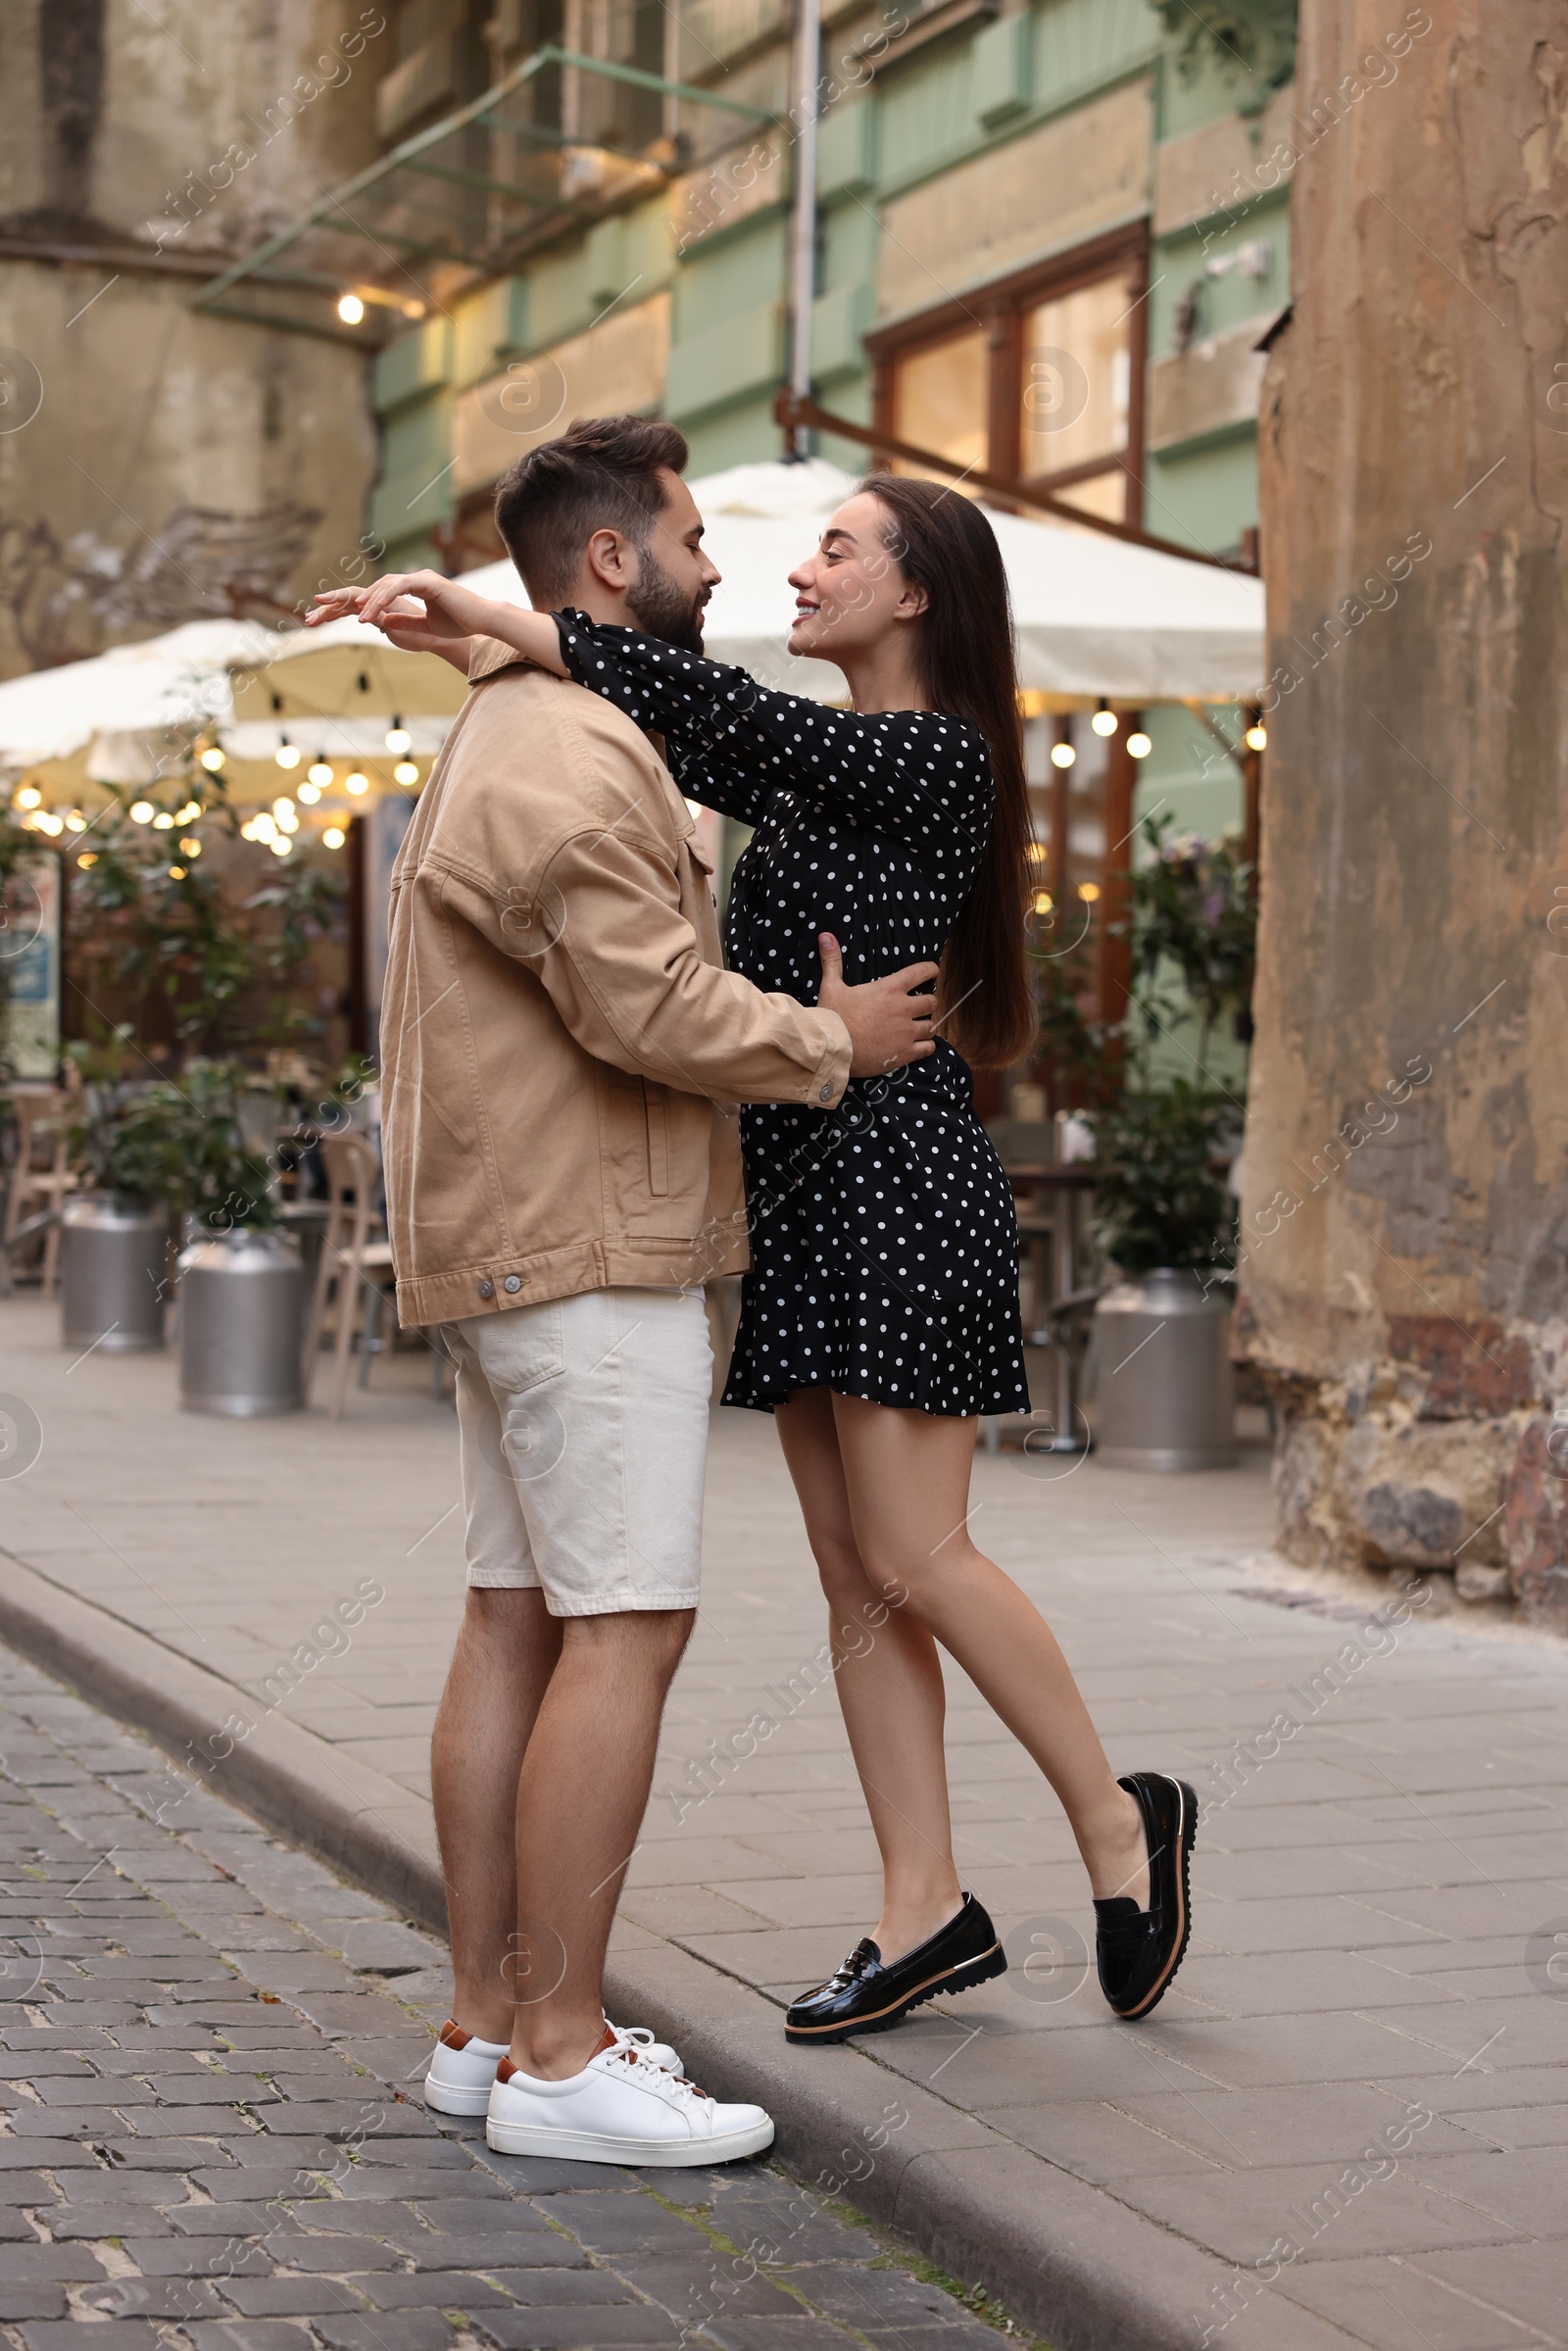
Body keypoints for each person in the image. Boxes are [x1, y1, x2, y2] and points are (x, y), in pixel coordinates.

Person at [317, 432, 1197, 2048]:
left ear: (916, 593)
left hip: (896, 1176)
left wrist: (490, 607)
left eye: (836, 551)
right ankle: (921, 1904)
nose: (790, 569)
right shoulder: (805, 763)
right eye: (776, 547)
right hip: (795, 1179)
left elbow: (697, 702)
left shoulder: (939, 760)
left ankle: (1120, 1824)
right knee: (854, 1577)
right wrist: (480, 638)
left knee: (922, 1552)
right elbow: (651, 711)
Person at [315, 417, 942, 2161]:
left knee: (515, 1619)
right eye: (686, 533)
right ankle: (568, 2055)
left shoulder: (521, 722)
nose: (718, 563)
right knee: (627, 1630)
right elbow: (648, 1006)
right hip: (588, 1252)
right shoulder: (573, 747)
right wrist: (836, 1039)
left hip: (523, 1243)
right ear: (611, 561)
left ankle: (486, 2024)